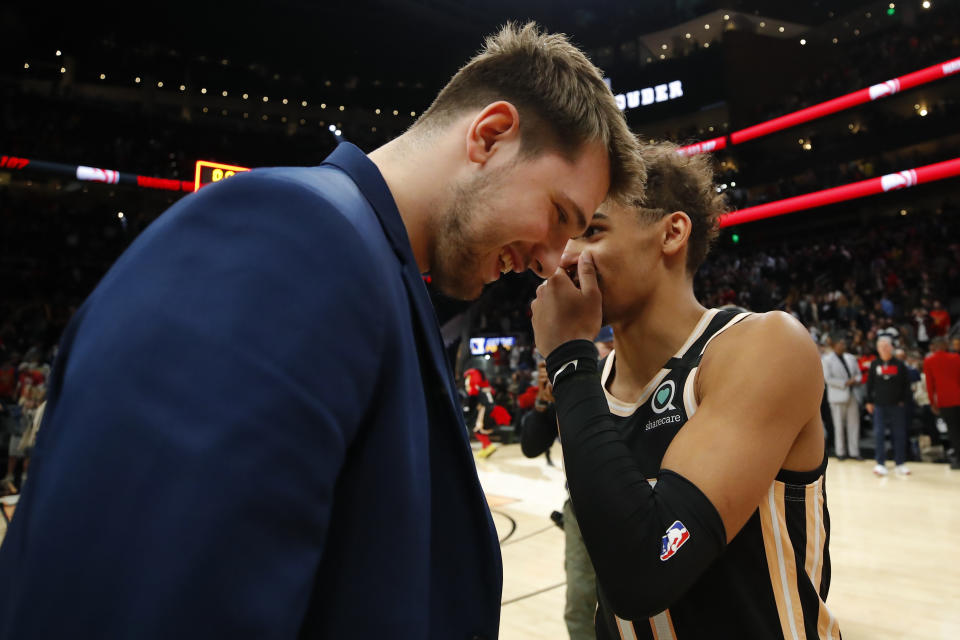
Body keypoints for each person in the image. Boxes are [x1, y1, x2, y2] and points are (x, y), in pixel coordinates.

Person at [0, 23, 645, 639]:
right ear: (491, 135)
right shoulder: (289, 234)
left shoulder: (375, 273)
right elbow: (144, 603)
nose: (551, 257)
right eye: (560, 214)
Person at [531, 143, 839, 639]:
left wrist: (568, 356)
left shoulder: (763, 346)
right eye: (565, 235)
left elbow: (647, 568)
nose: (565, 256)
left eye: (592, 231)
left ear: (671, 233)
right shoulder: (592, 382)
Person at [519, 360, 596, 640]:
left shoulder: (620, 378)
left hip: (630, 504)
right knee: (579, 600)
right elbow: (530, 446)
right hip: (579, 509)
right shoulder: (566, 385)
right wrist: (543, 399)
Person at [866, 336, 913, 476]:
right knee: (879, 434)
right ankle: (880, 464)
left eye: (887, 346)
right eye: (881, 347)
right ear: (878, 349)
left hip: (896, 406)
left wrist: (903, 400)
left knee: (899, 434)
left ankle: (900, 463)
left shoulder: (900, 364)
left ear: (892, 348)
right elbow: (870, 385)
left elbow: (906, 385)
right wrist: (869, 401)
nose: (884, 349)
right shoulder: (874, 364)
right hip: (879, 406)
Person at [822, 335, 862, 460]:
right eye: (840, 343)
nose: (843, 345)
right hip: (837, 395)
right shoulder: (826, 359)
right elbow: (828, 379)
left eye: (844, 343)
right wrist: (845, 383)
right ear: (834, 345)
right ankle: (840, 452)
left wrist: (856, 380)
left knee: (854, 424)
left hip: (852, 393)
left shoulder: (850, 358)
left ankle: (854, 452)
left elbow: (858, 374)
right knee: (838, 425)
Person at [924, 337, 960, 470]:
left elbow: (929, 385)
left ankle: (958, 458)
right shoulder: (956, 358)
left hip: (945, 401)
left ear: (934, 346)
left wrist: (932, 402)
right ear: (945, 345)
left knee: (953, 430)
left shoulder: (929, 361)